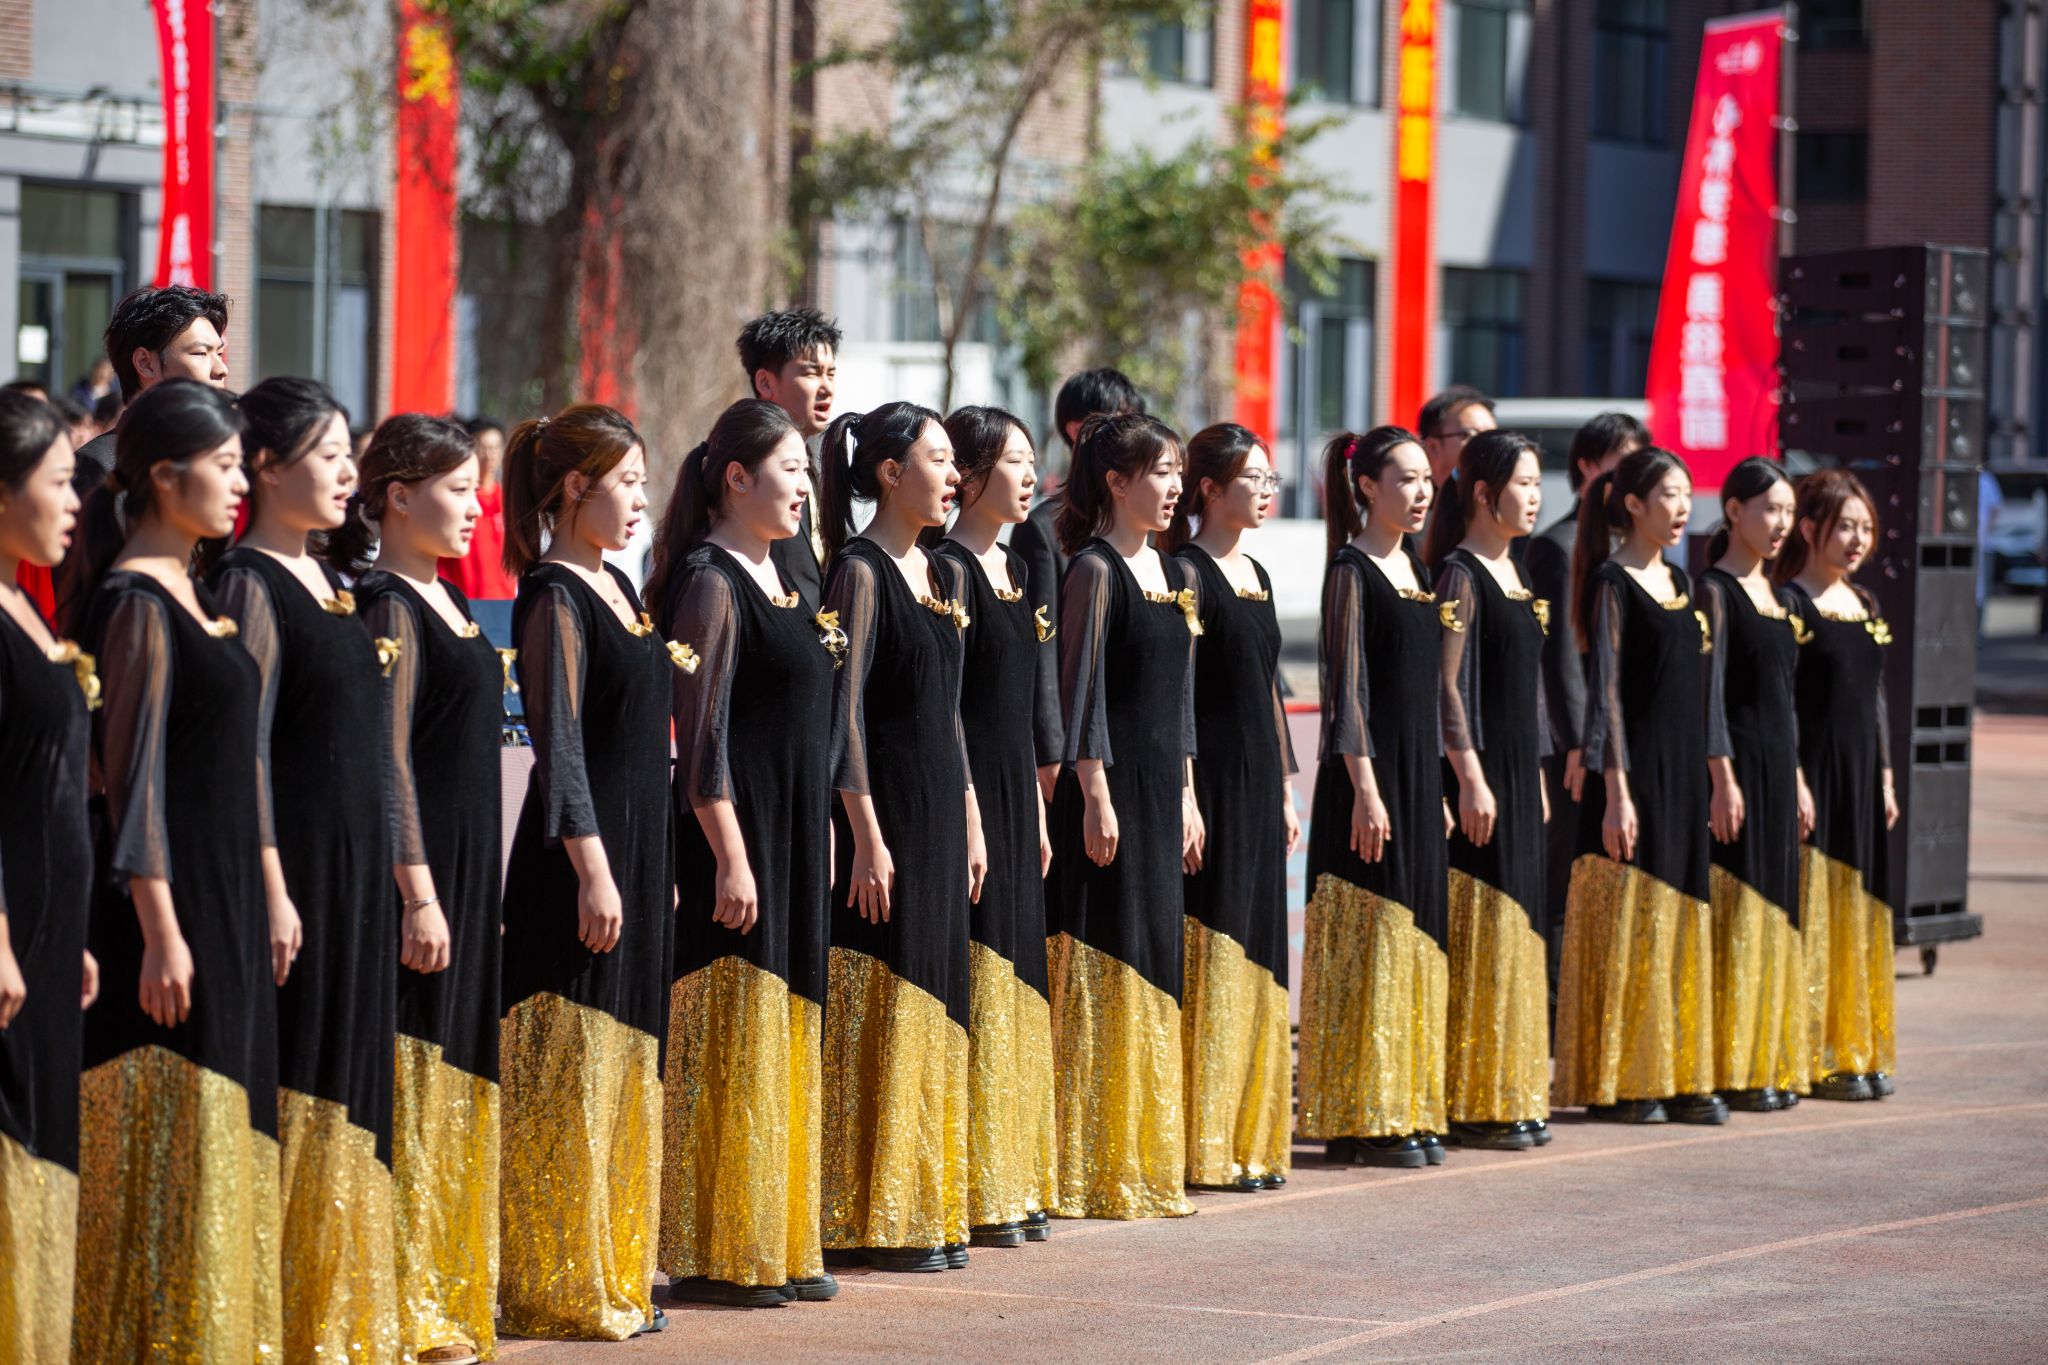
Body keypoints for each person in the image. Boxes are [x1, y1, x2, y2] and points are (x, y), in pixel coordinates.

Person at [70, 380, 285, 1360]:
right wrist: (160, 931)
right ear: (164, 475)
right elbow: (132, 779)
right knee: (171, 1129)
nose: (241, 484)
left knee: (224, 1127)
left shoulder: (198, 594)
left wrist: (269, 891)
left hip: (227, 896)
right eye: (227, 465)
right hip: (169, 908)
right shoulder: (136, 604)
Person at [206, 377, 400, 1360]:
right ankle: (285, 1316)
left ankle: (342, 1310)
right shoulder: (248, 582)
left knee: (353, 1076)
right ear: (266, 468)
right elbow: (244, 749)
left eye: (347, 452)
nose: (345, 473)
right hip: (301, 869)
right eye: (327, 455)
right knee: (305, 1075)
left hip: (360, 867)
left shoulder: (333, 578)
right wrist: (274, 886)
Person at [643, 399, 840, 1307]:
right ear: (736, 477)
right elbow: (702, 734)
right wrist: (728, 853)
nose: (804, 486)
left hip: (793, 833)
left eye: (806, 470)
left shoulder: (785, 578)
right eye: (790, 468)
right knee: (736, 1029)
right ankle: (720, 1246)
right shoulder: (710, 581)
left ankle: (781, 1235)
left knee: (787, 1028)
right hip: (739, 836)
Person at [496, 404, 674, 1339]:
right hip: (575, 865)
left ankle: (616, 1270)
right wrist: (596, 872)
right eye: (627, 482)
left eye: (644, 481)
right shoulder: (554, 596)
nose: (641, 499)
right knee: (571, 1072)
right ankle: (558, 1279)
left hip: (636, 856)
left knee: (626, 1068)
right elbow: (559, 748)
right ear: (575, 487)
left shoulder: (621, 586)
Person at [335, 415, 507, 1363]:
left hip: (470, 871)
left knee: (459, 1073)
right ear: (398, 497)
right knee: (414, 1070)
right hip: (422, 875)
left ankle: (446, 1283)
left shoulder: (452, 598)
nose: (475, 508)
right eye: (456, 489)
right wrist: (418, 892)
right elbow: (388, 759)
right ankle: (399, 1297)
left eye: (477, 488)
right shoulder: (387, 604)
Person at [816, 401, 977, 1271]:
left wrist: (974, 814)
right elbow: (843, 716)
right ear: (889, 471)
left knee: (940, 998)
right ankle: (870, 1209)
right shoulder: (860, 570)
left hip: (944, 813)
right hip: (889, 820)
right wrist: (866, 835)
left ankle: (925, 1200)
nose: (954, 476)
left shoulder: (942, 571)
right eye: (939, 459)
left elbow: (948, 715)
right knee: (891, 995)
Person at [1045, 413, 1203, 1218]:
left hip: (1161, 792)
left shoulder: (1173, 571)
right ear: (1116, 481)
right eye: (1161, 471)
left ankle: (1143, 1159)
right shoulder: (1094, 570)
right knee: (1105, 962)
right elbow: (1081, 693)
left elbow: (1180, 700)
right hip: (1105, 796)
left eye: (1178, 471)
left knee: (1154, 958)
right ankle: (1089, 1164)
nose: (1175, 486)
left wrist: (1187, 792)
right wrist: (1096, 793)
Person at [1553, 447, 1724, 1125]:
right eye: (1669, 495)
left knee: (1680, 920)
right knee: (1634, 925)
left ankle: (1679, 1071)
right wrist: (1617, 791)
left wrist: (1715, 777)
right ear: (1632, 504)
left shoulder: (1682, 581)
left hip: (1684, 777)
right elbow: (1608, 696)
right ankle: (1626, 1079)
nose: (1682, 508)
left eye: (1686, 494)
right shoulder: (1611, 582)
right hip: (1633, 776)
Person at [1298, 427, 1450, 1169]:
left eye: (1426, 479)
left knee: (1415, 941)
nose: (1422, 492)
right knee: (1373, 944)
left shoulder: (1418, 569)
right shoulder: (1351, 570)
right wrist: (1365, 789)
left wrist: (1436, 785)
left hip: (1417, 781)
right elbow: (1346, 693)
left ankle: (1407, 1103)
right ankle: (1361, 1116)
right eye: (1406, 479)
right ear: (1366, 487)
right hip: (1369, 782)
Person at [932, 406, 1061, 1245]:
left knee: (1017, 971)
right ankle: (974, 1181)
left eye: (1031, 459)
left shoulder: (1016, 565)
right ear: (971, 475)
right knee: (980, 972)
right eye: (1014, 461)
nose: (1030, 475)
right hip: (969, 791)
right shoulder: (947, 568)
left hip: (1017, 795)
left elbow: (1027, 703)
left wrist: (1038, 804)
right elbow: (946, 706)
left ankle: (1012, 1170)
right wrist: (973, 807)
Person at [1158, 422, 1298, 1192]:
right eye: (1253, 478)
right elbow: (1179, 694)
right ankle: (1205, 1141)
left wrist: (1286, 785)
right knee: (1216, 944)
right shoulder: (1187, 570)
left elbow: (1270, 689)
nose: (1267, 490)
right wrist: (1184, 793)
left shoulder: (1261, 574)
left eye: (1271, 478)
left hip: (1259, 784)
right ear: (1209, 489)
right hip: (1210, 782)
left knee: (1260, 948)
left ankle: (1253, 1137)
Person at [0, 391, 97, 1362]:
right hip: (9, 924)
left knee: (44, 1137)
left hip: (50, 923)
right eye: (59, 482)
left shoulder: (26, 603)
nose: (75, 502)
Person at [1424, 430, 1553, 1152]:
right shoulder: (1460, 575)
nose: (1535, 496)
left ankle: (1514, 1089)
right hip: (1477, 776)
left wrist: (1533, 772)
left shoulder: (1518, 571)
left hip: (1517, 774)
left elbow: (1528, 691)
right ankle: (1475, 1096)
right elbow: (1446, 686)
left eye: (1537, 483)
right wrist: (1469, 775)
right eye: (1523, 483)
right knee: (1487, 933)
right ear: (1482, 492)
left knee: (1521, 933)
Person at [1776, 469, 1900, 1102]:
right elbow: (1781, 703)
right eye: (1844, 526)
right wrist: (1795, 776)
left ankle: (1855, 1045)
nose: (1857, 540)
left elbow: (1875, 699)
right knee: (1815, 908)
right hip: (1814, 772)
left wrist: (1886, 775)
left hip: (1862, 776)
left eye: (1865, 528)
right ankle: (1811, 1052)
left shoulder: (1866, 603)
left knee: (1859, 906)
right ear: (1808, 527)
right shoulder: (1790, 604)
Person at [1700, 457, 1809, 1114]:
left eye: (1789, 512)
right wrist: (1721, 777)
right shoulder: (1714, 591)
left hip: (1776, 771)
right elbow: (1709, 695)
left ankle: (1767, 1056)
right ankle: (1731, 1064)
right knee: (1739, 914)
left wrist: (1797, 778)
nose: (1781, 523)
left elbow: (1785, 699)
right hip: (1735, 771)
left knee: (1776, 914)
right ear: (1735, 510)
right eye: (1770, 509)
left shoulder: (1781, 595)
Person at [1523, 413, 1647, 981]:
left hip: (1624, 733)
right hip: (1577, 743)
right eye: (1623, 466)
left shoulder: (1635, 547)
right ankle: (1554, 985)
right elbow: (1560, 658)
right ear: (1589, 468)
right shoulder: (1558, 546)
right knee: (1569, 858)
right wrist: (1577, 741)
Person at [54, 284, 231, 632]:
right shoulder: (99, 467)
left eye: (220, 353)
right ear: (145, 363)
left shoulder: (214, 466)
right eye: (200, 353)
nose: (220, 369)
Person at [1011, 368, 1145, 800]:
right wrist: (1050, 750)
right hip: (1073, 747)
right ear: (1076, 430)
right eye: (1117, 421)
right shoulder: (1043, 528)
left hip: (1133, 733)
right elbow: (1041, 645)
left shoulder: (1143, 526)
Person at [739, 308, 841, 612]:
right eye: (811, 373)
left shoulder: (814, 468)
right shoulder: (743, 466)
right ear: (765, 383)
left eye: (831, 373)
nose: (827, 387)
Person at [436, 415, 518, 601]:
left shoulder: (508, 500)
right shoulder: (457, 501)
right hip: (464, 602)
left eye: (495, 448)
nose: (489, 455)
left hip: (505, 604)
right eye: (482, 447)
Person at [1417, 385, 1498, 491]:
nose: (1486, 444)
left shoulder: (1500, 497)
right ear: (1433, 447)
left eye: (1491, 435)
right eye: (1469, 435)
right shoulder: (1416, 498)